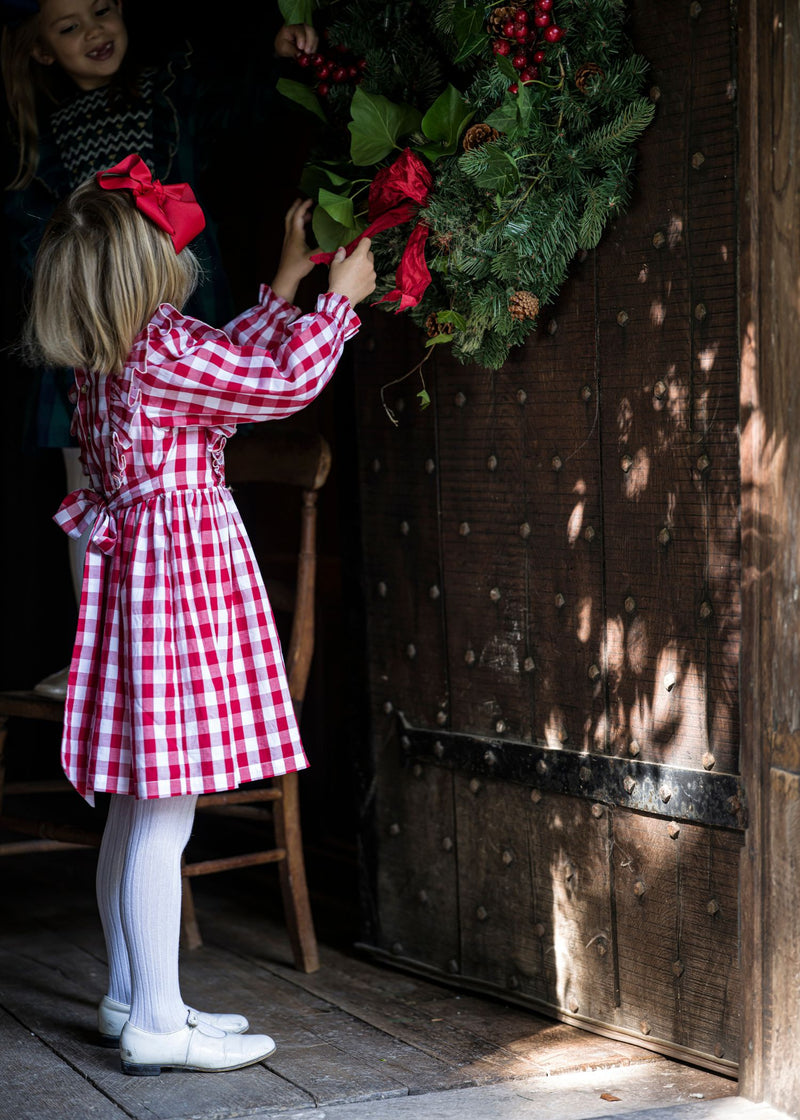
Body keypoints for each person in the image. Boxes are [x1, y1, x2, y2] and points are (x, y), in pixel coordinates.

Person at [22, 152, 376, 1075]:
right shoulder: (167, 351)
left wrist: (288, 282)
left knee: (137, 808)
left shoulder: (113, 360)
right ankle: (157, 1024)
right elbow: (278, 385)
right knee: (164, 811)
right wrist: (335, 305)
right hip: (179, 587)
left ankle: (130, 995)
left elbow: (225, 364)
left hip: (141, 589)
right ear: (147, 273)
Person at [1, 0, 319, 696]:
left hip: (174, 306)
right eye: (68, 26)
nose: (94, 31)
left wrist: (275, 52)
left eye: (103, 11)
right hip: (88, 336)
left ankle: (188, 646)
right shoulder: (41, 145)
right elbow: (39, 248)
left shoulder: (166, 92)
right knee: (90, 486)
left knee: (186, 481)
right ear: (41, 51)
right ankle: (100, 655)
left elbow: (237, 107)